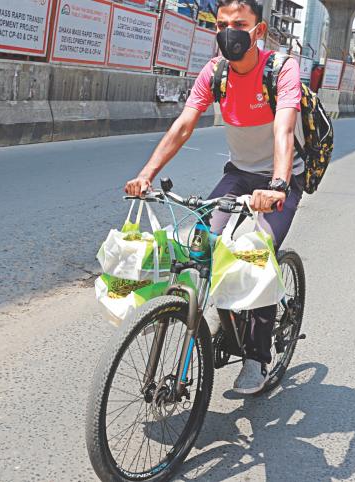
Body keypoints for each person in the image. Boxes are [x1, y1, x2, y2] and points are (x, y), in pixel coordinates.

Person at [124, 0, 303, 394]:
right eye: (221, 25)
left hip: (281, 178)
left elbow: (284, 131)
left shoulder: (281, 69)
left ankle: (256, 358)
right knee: (200, 241)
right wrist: (146, 175)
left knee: (255, 256)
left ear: (258, 31)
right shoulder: (215, 72)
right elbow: (183, 126)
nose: (228, 32)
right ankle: (214, 307)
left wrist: (277, 185)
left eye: (239, 24)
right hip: (239, 174)